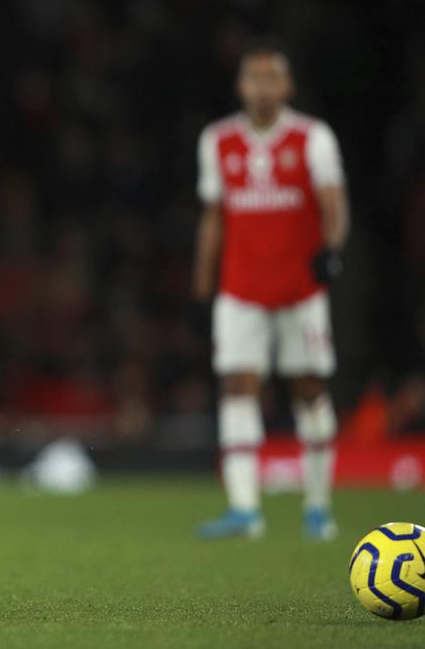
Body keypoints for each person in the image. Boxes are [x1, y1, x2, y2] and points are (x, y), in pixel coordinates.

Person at [193, 40, 349, 541]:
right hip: (241, 288)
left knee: (308, 389)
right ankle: (244, 509)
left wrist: (332, 247)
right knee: (237, 386)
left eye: (271, 78)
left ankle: (318, 506)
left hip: (299, 289)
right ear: (240, 86)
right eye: (253, 78)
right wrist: (203, 279)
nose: (262, 87)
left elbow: (333, 201)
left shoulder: (311, 138)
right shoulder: (217, 140)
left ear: (288, 86)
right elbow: (214, 215)